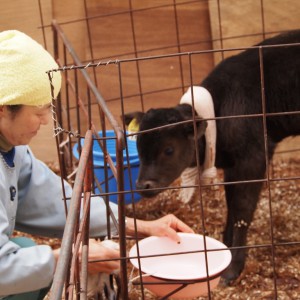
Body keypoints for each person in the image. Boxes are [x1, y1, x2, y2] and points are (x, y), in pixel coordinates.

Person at [0, 30, 194, 299]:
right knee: (25, 265)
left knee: (21, 249)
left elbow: (57, 201)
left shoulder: (11, 149)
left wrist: (139, 226)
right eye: (39, 110)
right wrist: (68, 258)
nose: (46, 120)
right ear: (3, 108)